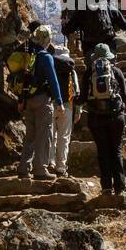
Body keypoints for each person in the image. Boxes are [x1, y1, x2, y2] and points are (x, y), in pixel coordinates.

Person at [12, 24, 66, 180]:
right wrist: (59, 102)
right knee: (43, 135)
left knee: (30, 135)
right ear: (47, 39)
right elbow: (53, 80)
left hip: (28, 100)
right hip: (42, 100)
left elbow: (24, 79)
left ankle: (23, 167)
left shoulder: (28, 55)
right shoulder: (45, 56)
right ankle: (40, 169)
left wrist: (21, 100)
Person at [78, 44, 126, 196]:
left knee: (103, 151)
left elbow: (82, 98)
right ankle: (120, 186)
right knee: (116, 150)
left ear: (94, 57)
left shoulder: (89, 73)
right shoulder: (116, 71)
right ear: (109, 56)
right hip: (116, 116)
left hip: (96, 117)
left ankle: (106, 187)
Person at [68, 0, 126, 68]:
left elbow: (68, 29)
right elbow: (125, 24)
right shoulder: (110, 9)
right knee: (112, 68)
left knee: (90, 71)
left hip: (90, 47)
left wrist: (65, 26)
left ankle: (88, 78)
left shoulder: (80, 12)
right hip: (109, 45)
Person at [49, 42, 80, 177]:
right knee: (64, 137)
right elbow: (76, 91)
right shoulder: (71, 70)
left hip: (50, 104)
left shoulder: (50, 67)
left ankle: (50, 162)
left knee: (50, 136)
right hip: (67, 106)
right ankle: (61, 167)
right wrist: (78, 110)